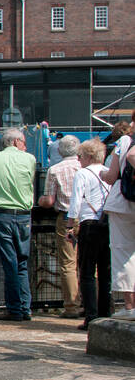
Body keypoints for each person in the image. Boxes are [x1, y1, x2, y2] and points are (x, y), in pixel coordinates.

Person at [0, 128, 37, 321]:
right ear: (15, 142)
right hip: (24, 215)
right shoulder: (29, 159)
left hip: (2, 214)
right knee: (22, 262)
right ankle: (24, 307)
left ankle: (15, 308)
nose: (25, 145)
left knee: (9, 263)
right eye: (22, 141)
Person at [68, 138, 112, 329]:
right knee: (105, 271)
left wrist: (70, 225)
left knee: (86, 271)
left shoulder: (83, 174)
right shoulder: (107, 172)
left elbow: (76, 201)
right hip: (107, 223)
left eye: (80, 156)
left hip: (89, 222)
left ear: (87, 156)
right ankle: (105, 312)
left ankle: (91, 316)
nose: (78, 160)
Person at [39, 135, 83, 318]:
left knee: (68, 263)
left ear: (59, 151)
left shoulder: (55, 170)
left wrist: (41, 201)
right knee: (89, 263)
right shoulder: (85, 167)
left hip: (65, 219)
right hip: (88, 218)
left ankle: (71, 306)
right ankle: (92, 304)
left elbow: (49, 201)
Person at [99, 113, 135, 318]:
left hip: (123, 201)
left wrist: (103, 174)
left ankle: (130, 306)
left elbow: (112, 176)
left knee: (123, 252)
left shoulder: (124, 140)